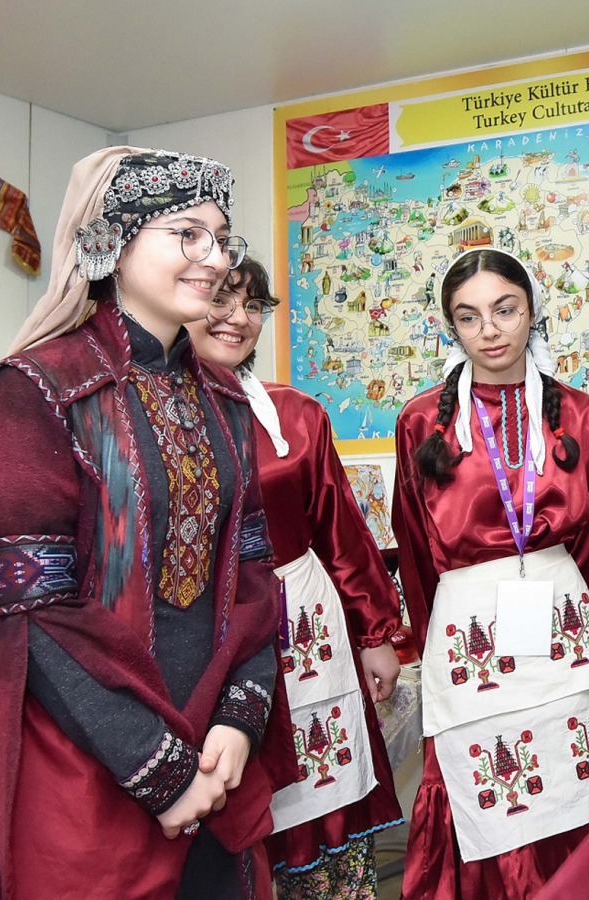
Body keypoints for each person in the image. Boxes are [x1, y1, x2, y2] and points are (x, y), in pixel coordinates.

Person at [0, 146, 284, 900]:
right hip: (88, 763)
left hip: (216, 761)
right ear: (112, 242)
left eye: (221, 238)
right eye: (185, 234)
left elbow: (254, 574)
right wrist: (157, 768)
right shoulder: (35, 389)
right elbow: (29, 612)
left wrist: (239, 718)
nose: (214, 258)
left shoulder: (226, 400)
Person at [392, 247, 589, 899]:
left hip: (564, 636)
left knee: (579, 791)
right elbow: (414, 546)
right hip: (470, 638)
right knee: (488, 800)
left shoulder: (580, 413)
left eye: (505, 309)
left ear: (532, 311)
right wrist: (428, 643)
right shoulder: (423, 420)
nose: (490, 330)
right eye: (468, 318)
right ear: (452, 328)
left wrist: (556, 601)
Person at [187, 257, 404, 897]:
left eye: (253, 306)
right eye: (222, 301)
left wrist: (376, 634)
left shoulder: (297, 415)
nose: (238, 319)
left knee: (324, 793)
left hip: (308, 630)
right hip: (210, 639)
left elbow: (341, 530)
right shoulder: (150, 419)